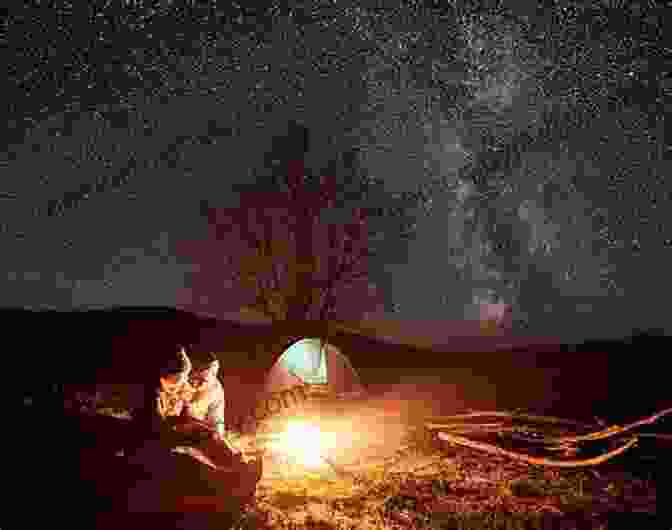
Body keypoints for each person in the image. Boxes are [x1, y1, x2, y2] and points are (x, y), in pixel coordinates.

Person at [185, 351, 226, 439]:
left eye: (202, 381)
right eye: (193, 378)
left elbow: (217, 419)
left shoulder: (215, 389)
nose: (195, 384)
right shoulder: (177, 384)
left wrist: (218, 433)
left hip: (197, 435)